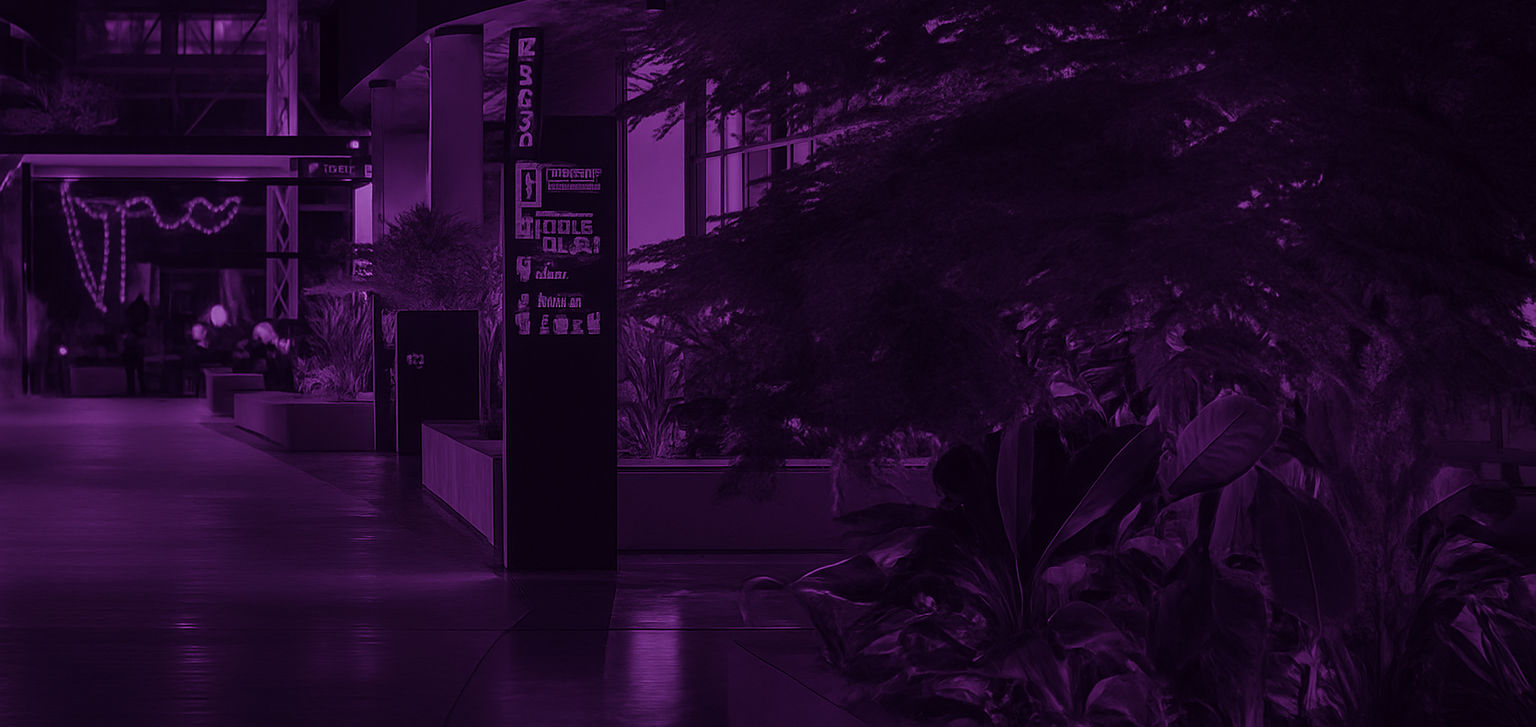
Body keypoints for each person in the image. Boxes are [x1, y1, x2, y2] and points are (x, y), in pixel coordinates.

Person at [122, 294, 150, 396]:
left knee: (131, 372)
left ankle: (132, 391)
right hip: (136, 345)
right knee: (139, 370)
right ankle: (141, 391)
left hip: (131, 344)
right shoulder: (142, 311)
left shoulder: (131, 311)